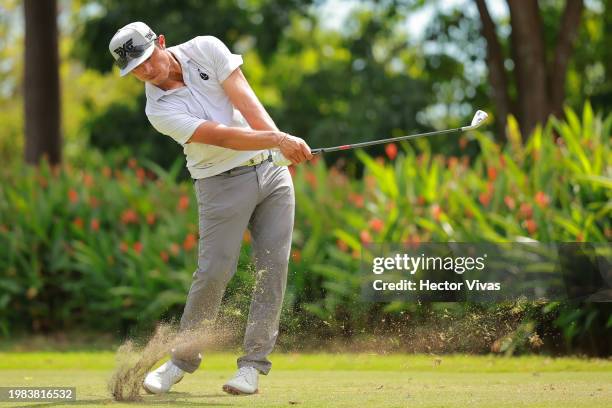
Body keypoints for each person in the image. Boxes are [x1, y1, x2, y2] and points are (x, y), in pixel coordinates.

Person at [108, 21, 313, 396]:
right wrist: (278, 139)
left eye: (147, 59)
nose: (145, 71)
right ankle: (180, 362)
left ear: (161, 43)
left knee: (273, 267)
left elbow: (247, 101)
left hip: (271, 174)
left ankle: (252, 366)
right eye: (135, 69)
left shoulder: (206, 48)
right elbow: (220, 136)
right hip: (220, 182)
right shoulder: (158, 110)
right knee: (214, 271)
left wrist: (278, 146)